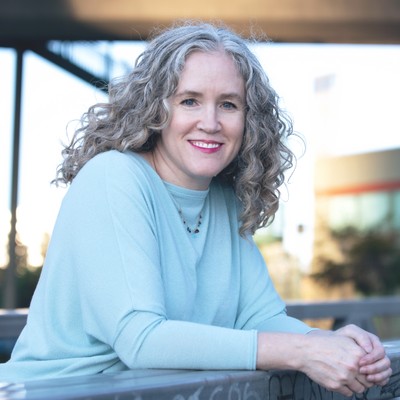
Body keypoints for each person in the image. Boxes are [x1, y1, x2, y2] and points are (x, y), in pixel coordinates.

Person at [0, 22, 392, 396]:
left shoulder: (223, 200)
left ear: (248, 119)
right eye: (190, 101)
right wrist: (301, 353)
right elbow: (141, 338)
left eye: (228, 104)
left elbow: (259, 317)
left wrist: (331, 343)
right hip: (50, 392)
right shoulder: (113, 177)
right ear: (156, 109)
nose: (211, 122)